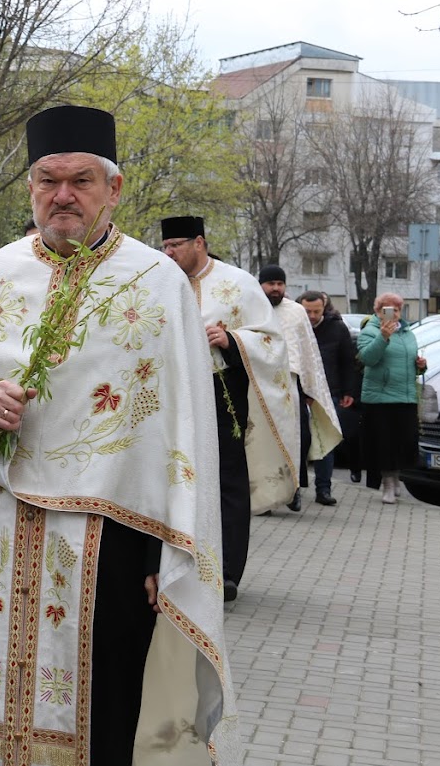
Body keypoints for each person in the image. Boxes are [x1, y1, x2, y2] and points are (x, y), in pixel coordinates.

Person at [0, 105, 246, 766]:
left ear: (114, 189)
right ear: (30, 187)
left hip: (110, 542)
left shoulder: (157, 282)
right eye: (47, 180)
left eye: (80, 180)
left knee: (100, 711)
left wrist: (163, 557)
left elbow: (186, 432)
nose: (62, 195)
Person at [161, 217, 297, 601]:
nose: (169, 254)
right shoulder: (161, 280)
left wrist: (231, 339)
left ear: (199, 242)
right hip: (173, 393)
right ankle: (175, 564)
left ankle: (227, 571)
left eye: (176, 245)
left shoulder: (238, 283)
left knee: (226, 481)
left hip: (222, 392)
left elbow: (272, 342)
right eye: (165, 247)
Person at [259, 265, 342, 510]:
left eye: (280, 283)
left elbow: (308, 352)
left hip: (290, 385)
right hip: (259, 383)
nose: (275, 288)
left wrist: (308, 389)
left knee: (297, 439)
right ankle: (263, 498)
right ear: (261, 284)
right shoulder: (251, 306)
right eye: (270, 283)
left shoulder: (296, 312)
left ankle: (293, 489)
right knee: (263, 442)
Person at [357, 292, 426, 504]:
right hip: (380, 398)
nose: (393, 314)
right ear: (378, 312)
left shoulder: (407, 333)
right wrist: (383, 337)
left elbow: (410, 365)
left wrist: (420, 366)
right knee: (385, 444)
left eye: (396, 310)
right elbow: (367, 358)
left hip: (405, 396)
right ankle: (387, 483)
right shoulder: (370, 331)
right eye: (387, 310)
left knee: (403, 442)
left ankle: (395, 478)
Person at [299, 291, 358, 505]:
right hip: (299, 393)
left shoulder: (337, 328)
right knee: (299, 442)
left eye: (317, 311)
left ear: (324, 308)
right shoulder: (295, 327)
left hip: (328, 392)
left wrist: (348, 391)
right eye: (308, 311)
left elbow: (347, 361)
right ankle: (294, 489)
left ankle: (323, 489)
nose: (312, 316)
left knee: (325, 442)